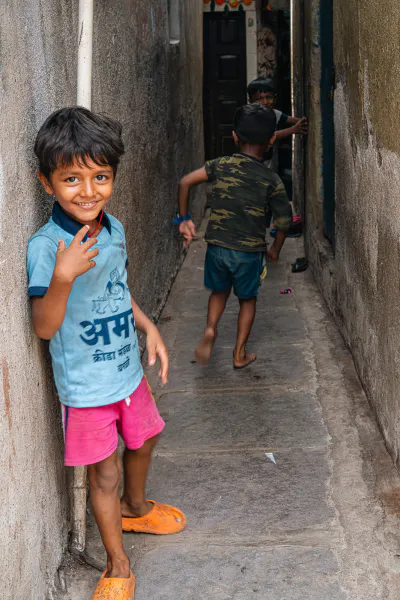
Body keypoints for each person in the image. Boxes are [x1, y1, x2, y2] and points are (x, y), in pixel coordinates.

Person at [27, 107, 185, 600]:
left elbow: (118, 288)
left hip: (127, 371)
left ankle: (135, 509)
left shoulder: (111, 227)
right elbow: (44, 326)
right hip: (89, 387)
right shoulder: (48, 246)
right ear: (46, 182)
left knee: (146, 438)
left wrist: (148, 324)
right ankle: (117, 563)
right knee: (105, 472)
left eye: (101, 177)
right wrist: (63, 274)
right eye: (72, 178)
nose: (88, 191)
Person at [174, 104, 292, 368]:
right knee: (247, 299)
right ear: (272, 139)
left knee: (219, 291)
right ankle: (239, 354)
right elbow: (283, 221)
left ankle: (210, 329)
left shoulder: (221, 165)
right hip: (248, 252)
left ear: (235, 137)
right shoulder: (272, 180)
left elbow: (184, 183)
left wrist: (184, 219)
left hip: (217, 247)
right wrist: (275, 249)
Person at [247, 76, 308, 143]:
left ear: (275, 98)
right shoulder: (250, 117)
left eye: (269, 97)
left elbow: (294, 120)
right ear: (250, 102)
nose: (265, 102)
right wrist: (293, 129)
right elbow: (267, 137)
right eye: (259, 99)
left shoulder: (274, 113)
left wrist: (304, 122)